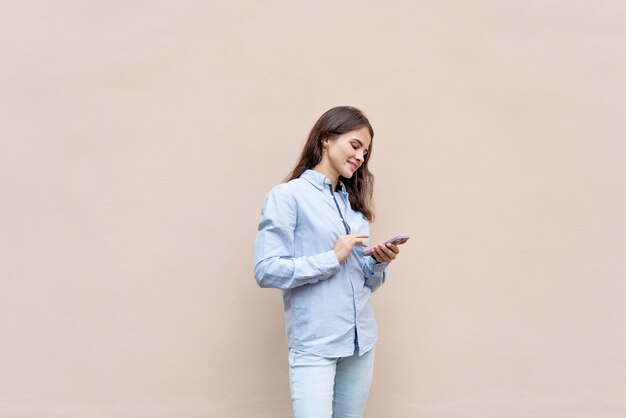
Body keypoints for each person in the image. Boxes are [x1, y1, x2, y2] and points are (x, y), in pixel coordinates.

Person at [254, 106, 402, 418]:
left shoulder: (354, 208)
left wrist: (379, 263)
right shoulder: (287, 197)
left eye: (366, 151)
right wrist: (331, 258)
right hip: (316, 343)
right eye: (355, 145)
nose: (361, 157)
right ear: (326, 139)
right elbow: (266, 269)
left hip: (361, 343)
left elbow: (366, 281)